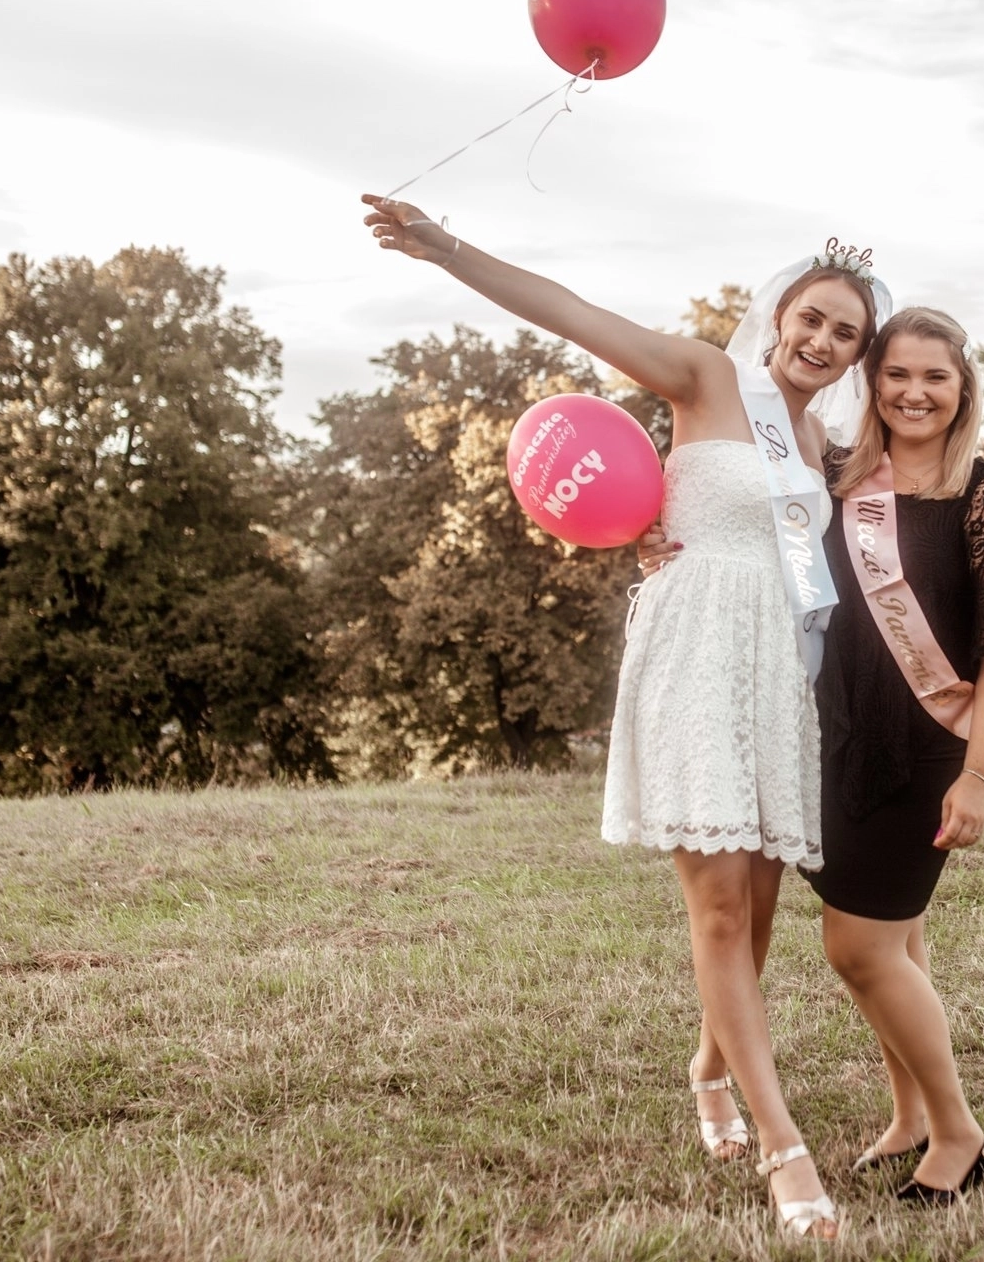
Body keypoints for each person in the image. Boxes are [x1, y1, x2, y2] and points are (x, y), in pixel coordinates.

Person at [361, 195, 890, 1239]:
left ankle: (708, 1067)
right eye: (812, 317)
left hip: (774, 665)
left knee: (761, 908)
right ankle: (784, 1150)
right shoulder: (704, 375)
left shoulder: (822, 440)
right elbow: (569, 311)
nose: (823, 341)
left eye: (846, 333)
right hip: (694, 648)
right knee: (721, 909)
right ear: (780, 312)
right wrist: (444, 247)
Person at [640, 305, 984, 1204]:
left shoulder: (980, 495)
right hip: (836, 736)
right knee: (898, 941)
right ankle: (909, 1116)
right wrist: (658, 539)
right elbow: (743, 528)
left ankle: (959, 1132)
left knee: (859, 947)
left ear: (963, 388)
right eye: (896, 374)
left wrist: (979, 776)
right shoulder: (834, 476)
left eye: (935, 377)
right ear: (873, 381)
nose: (914, 392)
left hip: (925, 748)